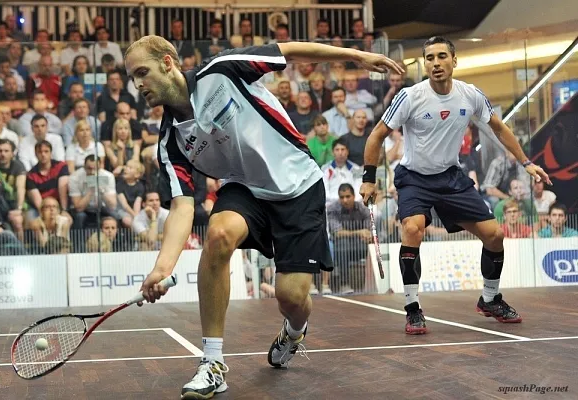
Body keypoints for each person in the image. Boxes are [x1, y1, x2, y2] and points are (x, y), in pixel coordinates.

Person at [123, 35, 403, 399]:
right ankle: (212, 363)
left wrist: (357, 56)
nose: (138, 84)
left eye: (142, 72)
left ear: (167, 62)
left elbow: (289, 50)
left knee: (291, 296)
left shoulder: (221, 71)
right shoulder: (171, 142)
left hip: (299, 185)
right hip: (245, 189)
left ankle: (295, 329)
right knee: (218, 234)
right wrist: (162, 267)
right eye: (132, 77)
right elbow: (182, 205)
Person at [359, 36, 552, 335]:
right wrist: (368, 179)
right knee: (412, 229)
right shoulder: (410, 96)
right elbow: (376, 135)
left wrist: (526, 162)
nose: (435, 63)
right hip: (414, 178)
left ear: (454, 60)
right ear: (425, 64)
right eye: (430, 58)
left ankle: (490, 299)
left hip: (451, 177)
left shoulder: (470, 94)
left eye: (441, 57)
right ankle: (412, 308)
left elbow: (498, 127)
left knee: (495, 235)